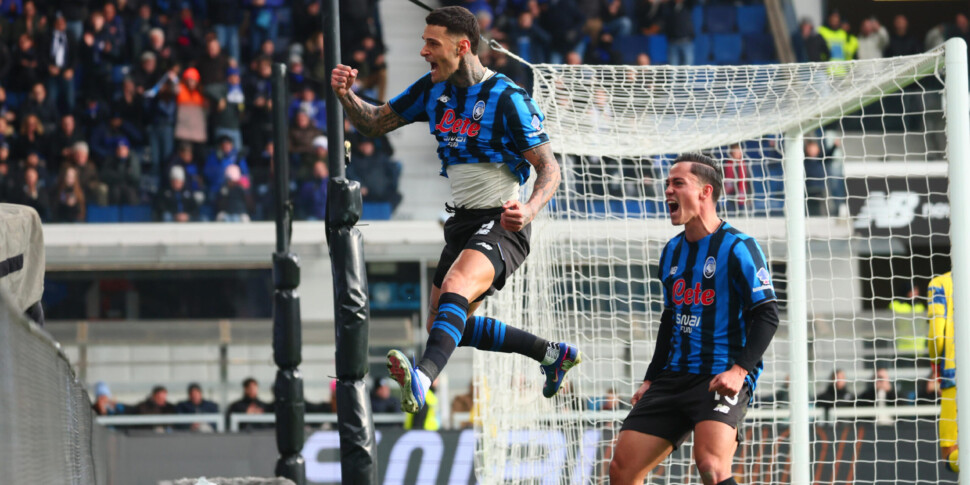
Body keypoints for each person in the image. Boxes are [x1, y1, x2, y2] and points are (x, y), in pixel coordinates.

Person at [331, 5, 581, 415]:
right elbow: (374, 123)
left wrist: (530, 210)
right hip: (462, 221)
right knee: (443, 326)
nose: (424, 52)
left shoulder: (507, 98)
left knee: (456, 289)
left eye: (432, 44)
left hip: (502, 221)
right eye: (423, 43)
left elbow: (549, 168)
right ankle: (551, 354)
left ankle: (423, 377)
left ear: (462, 46)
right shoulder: (433, 89)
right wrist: (345, 95)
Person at [609, 153, 780, 485]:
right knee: (621, 470)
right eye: (667, 183)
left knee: (711, 468)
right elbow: (670, 318)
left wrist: (739, 370)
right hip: (673, 377)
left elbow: (767, 313)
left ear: (705, 191)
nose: (667, 190)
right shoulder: (671, 251)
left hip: (720, 375)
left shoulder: (739, 246)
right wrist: (650, 378)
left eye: (677, 183)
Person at [928, 271, 958, 472]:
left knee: (950, 453)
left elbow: (936, 336)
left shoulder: (940, 283)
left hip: (954, 374)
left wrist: (935, 365)